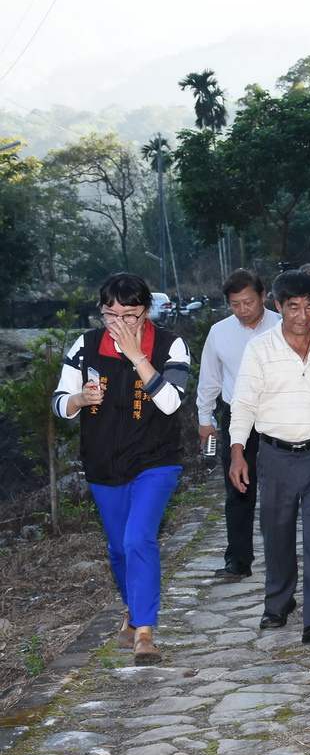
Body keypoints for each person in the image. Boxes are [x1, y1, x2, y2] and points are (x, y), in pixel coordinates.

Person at [52, 272, 191, 665]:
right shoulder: (87, 345)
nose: (119, 323)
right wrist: (80, 397)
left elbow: (170, 403)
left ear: (145, 311)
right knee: (117, 549)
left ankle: (145, 633)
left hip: (155, 461)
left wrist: (137, 356)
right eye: (110, 314)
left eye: (129, 315)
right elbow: (59, 404)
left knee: (137, 540)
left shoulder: (169, 345)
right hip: (102, 464)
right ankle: (134, 612)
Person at [228, 269, 310, 644]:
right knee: (277, 533)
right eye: (293, 307)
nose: (302, 316)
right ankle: (278, 603)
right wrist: (238, 452)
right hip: (274, 456)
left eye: (309, 307)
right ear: (278, 306)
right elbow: (243, 404)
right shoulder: (260, 349)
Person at [196, 270, 281, 579]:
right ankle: (238, 560)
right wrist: (205, 420)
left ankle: (281, 559)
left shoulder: (284, 326)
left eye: (248, 302)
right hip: (236, 417)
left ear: (263, 297)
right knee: (239, 489)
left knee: (279, 490)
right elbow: (209, 379)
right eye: (235, 304)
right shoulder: (219, 332)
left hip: (279, 415)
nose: (243, 310)